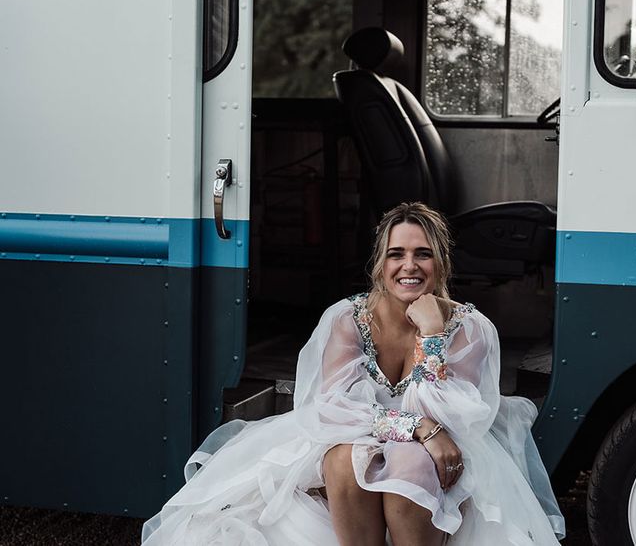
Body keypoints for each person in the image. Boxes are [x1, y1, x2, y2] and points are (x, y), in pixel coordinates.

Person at [142, 202, 565, 545]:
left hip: (440, 446)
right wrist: (418, 426)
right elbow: (335, 410)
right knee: (344, 458)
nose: (409, 266)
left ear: (442, 263)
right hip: (365, 435)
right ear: (379, 264)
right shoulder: (349, 318)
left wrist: (433, 334)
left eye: (423, 253)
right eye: (396, 254)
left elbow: (454, 418)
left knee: (411, 465)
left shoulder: (470, 328)